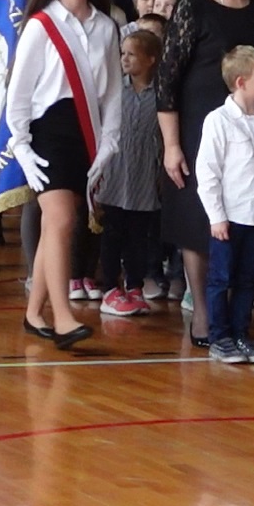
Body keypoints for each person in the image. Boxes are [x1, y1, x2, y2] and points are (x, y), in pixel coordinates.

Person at [157, 0, 254, 347]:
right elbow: (167, 80)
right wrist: (172, 145)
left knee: (244, 220)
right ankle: (203, 312)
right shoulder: (193, 6)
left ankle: (235, 320)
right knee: (199, 220)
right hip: (198, 127)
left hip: (250, 132)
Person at [7, 0, 121, 349]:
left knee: (57, 225)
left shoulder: (106, 27)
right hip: (48, 130)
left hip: (86, 131)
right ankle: (63, 318)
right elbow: (19, 92)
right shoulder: (41, 25)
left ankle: (33, 313)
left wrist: (110, 140)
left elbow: (113, 93)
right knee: (60, 221)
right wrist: (21, 144)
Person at [195, 46, 254, 365]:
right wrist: (216, 217)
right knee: (221, 278)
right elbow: (208, 173)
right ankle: (219, 336)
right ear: (241, 82)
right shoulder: (218, 121)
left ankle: (240, 333)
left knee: (250, 279)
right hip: (230, 219)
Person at [94, 30, 162, 317]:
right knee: (112, 233)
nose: (124, 59)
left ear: (150, 59)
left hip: (144, 174)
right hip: (115, 172)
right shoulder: (114, 90)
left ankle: (135, 285)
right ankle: (110, 286)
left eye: (131, 54)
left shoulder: (160, 93)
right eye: (123, 53)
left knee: (139, 236)